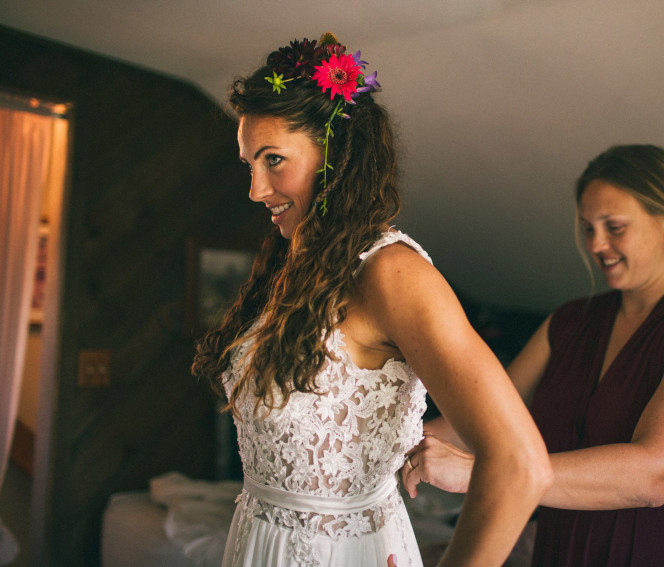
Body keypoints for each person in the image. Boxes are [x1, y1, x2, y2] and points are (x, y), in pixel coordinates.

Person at [191, 33, 552, 567]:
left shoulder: (392, 273)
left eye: (273, 160)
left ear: (336, 155)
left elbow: (521, 463)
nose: (256, 189)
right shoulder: (294, 262)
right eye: (250, 165)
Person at [402, 144, 664, 566]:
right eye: (588, 228)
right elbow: (477, 417)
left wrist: (481, 473)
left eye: (614, 226)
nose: (597, 244)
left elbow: (656, 474)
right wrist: (375, 442)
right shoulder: (567, 324)